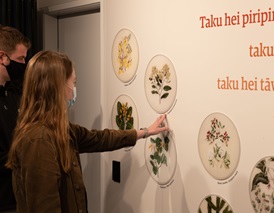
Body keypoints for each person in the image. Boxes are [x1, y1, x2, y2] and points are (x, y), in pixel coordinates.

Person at [6, 50, 169, 213]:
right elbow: (45, 206)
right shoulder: (38, 139)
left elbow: (99, 138)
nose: (74, 90)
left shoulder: (59, 129)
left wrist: (144, 132)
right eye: (73, 83)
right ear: (58, 87)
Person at [0, 26, 31, 213]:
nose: (24, 64)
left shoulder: (16, 94)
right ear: (2, 57)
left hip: (19, 197)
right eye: (20, 59)